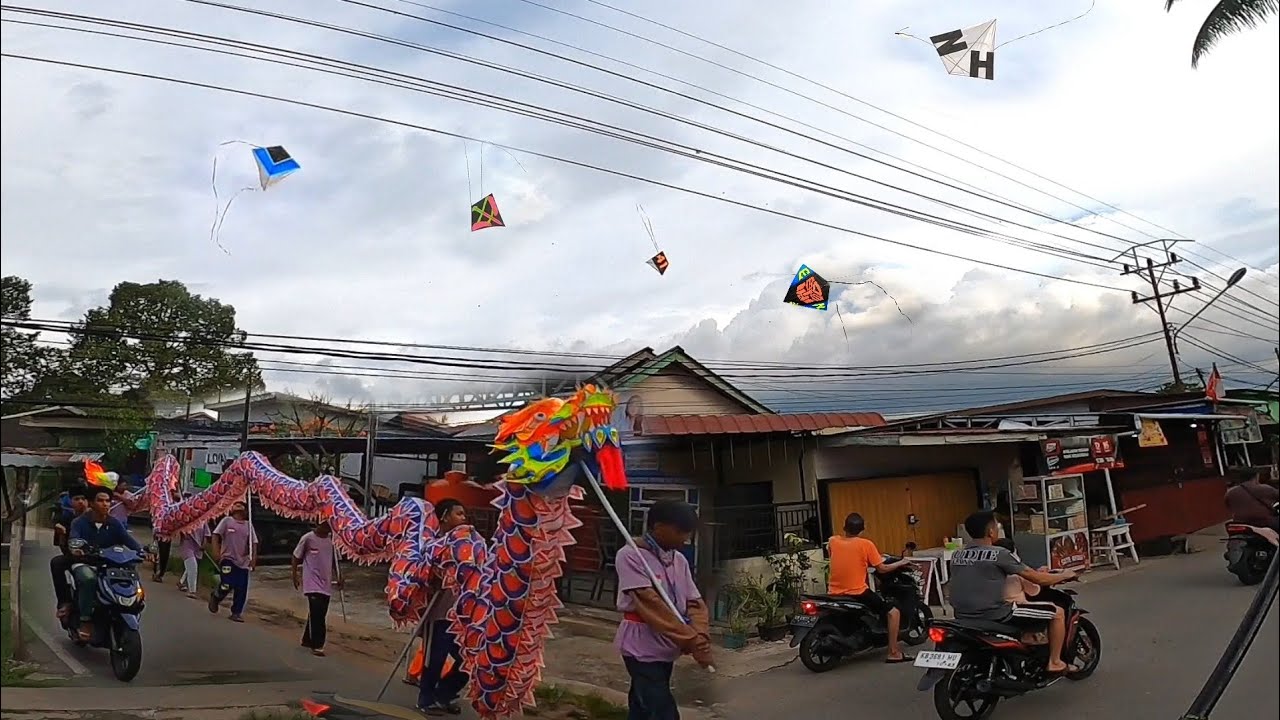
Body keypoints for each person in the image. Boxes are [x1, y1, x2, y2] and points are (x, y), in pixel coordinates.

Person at [615, 499, 712, 720]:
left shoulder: (678, 560)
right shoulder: (630, 556)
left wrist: (701, 636)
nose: (685, 539)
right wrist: (689, 639)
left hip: (667, 645)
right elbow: (650, 605)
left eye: (688, 533)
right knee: (662, 709)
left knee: (642, 705)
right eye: (680, 532)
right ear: (659, 527)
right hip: (641, 646)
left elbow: (694, 602)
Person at [950, 511, 1077, 674]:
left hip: (962, 614)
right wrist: (1064, 575)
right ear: (990, 532)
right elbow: (1038, 579)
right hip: (995, 613)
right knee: (1057, 612)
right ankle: (1055, 662)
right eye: (996, 526)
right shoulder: (999, 554)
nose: (997, 530)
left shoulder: (957, 554)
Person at [826, 512, 913, 663]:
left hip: (834, 592)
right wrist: (902, 562)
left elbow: (832, 551)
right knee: (893, 612)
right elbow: (882, 569)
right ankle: (893, 652)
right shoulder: (866, 544)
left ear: (844, 528)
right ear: (862, 530)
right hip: (857, 592)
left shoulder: (833, 541)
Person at [416, 499, 471, 716]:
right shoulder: (433, 544)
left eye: (464, 514)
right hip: (438, 614)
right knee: (434, 659)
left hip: (462, 616)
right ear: (445, 516)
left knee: (468, 660)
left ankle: (444, 694)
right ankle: (426, 699)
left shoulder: (468, 547)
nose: (463, 518)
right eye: (459, 513)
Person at [68, 488, 147, 640]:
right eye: (100, 500)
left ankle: (129, 609)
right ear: (91, 503)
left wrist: (143, 552)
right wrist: (77, 549)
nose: (105, 504)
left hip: (111, 565)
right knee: (88, 579)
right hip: (87, 563)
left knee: (132, 580)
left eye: (107, 501)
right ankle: (85, 620)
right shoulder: (80, 522)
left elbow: (130, 542)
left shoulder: (115, 523)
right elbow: (74, 539)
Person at [293, 520, 341, 657]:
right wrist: (295, 576)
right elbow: (296, 558)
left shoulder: (332, 542)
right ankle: (318, 644)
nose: (327, 528)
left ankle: (307, 639)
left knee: (319, 612)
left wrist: (339, 577)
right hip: (311, 582)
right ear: (318, 524)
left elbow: (335, 562)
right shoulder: (307, 538)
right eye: (324, 525)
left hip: (325, 583)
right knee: (317, 612)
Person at [208, 499, 259, 623]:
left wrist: (253, 559)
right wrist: (216, 550)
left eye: (242, 505)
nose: (239, 506)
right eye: (237, 504)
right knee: (227, 582)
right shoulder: (227, 521)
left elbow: (253, 543)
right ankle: (216, 596)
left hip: (243, 561)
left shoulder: (248, 525)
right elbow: (215, 535)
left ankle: (236, 612)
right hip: (227, 559)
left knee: (241, 587)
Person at [994, 538, 1047, 645]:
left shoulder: (989, 571)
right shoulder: (1016, 571)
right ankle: (1055, 659)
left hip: (995, 610)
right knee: (1056, 612)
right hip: (1016, 610)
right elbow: (1034, 591)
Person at [51, 487, 89, 619]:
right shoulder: (68, 517)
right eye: (77, 499)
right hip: (75, 556)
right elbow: (57, 521)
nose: (81, 502)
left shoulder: (97, 516)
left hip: (97, 557)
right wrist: (58, 527)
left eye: (83, 499)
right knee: (56, 563)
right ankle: (64, 602)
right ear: (71, 502)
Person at [177, 507, 210, 599]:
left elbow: (207, 535)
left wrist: (204, 545)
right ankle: (192, 590)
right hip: (187, 546)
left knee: (190, 567)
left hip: (198, 548)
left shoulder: (203, 520)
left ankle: (181, 582)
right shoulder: (187, 520)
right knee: (192, 566)